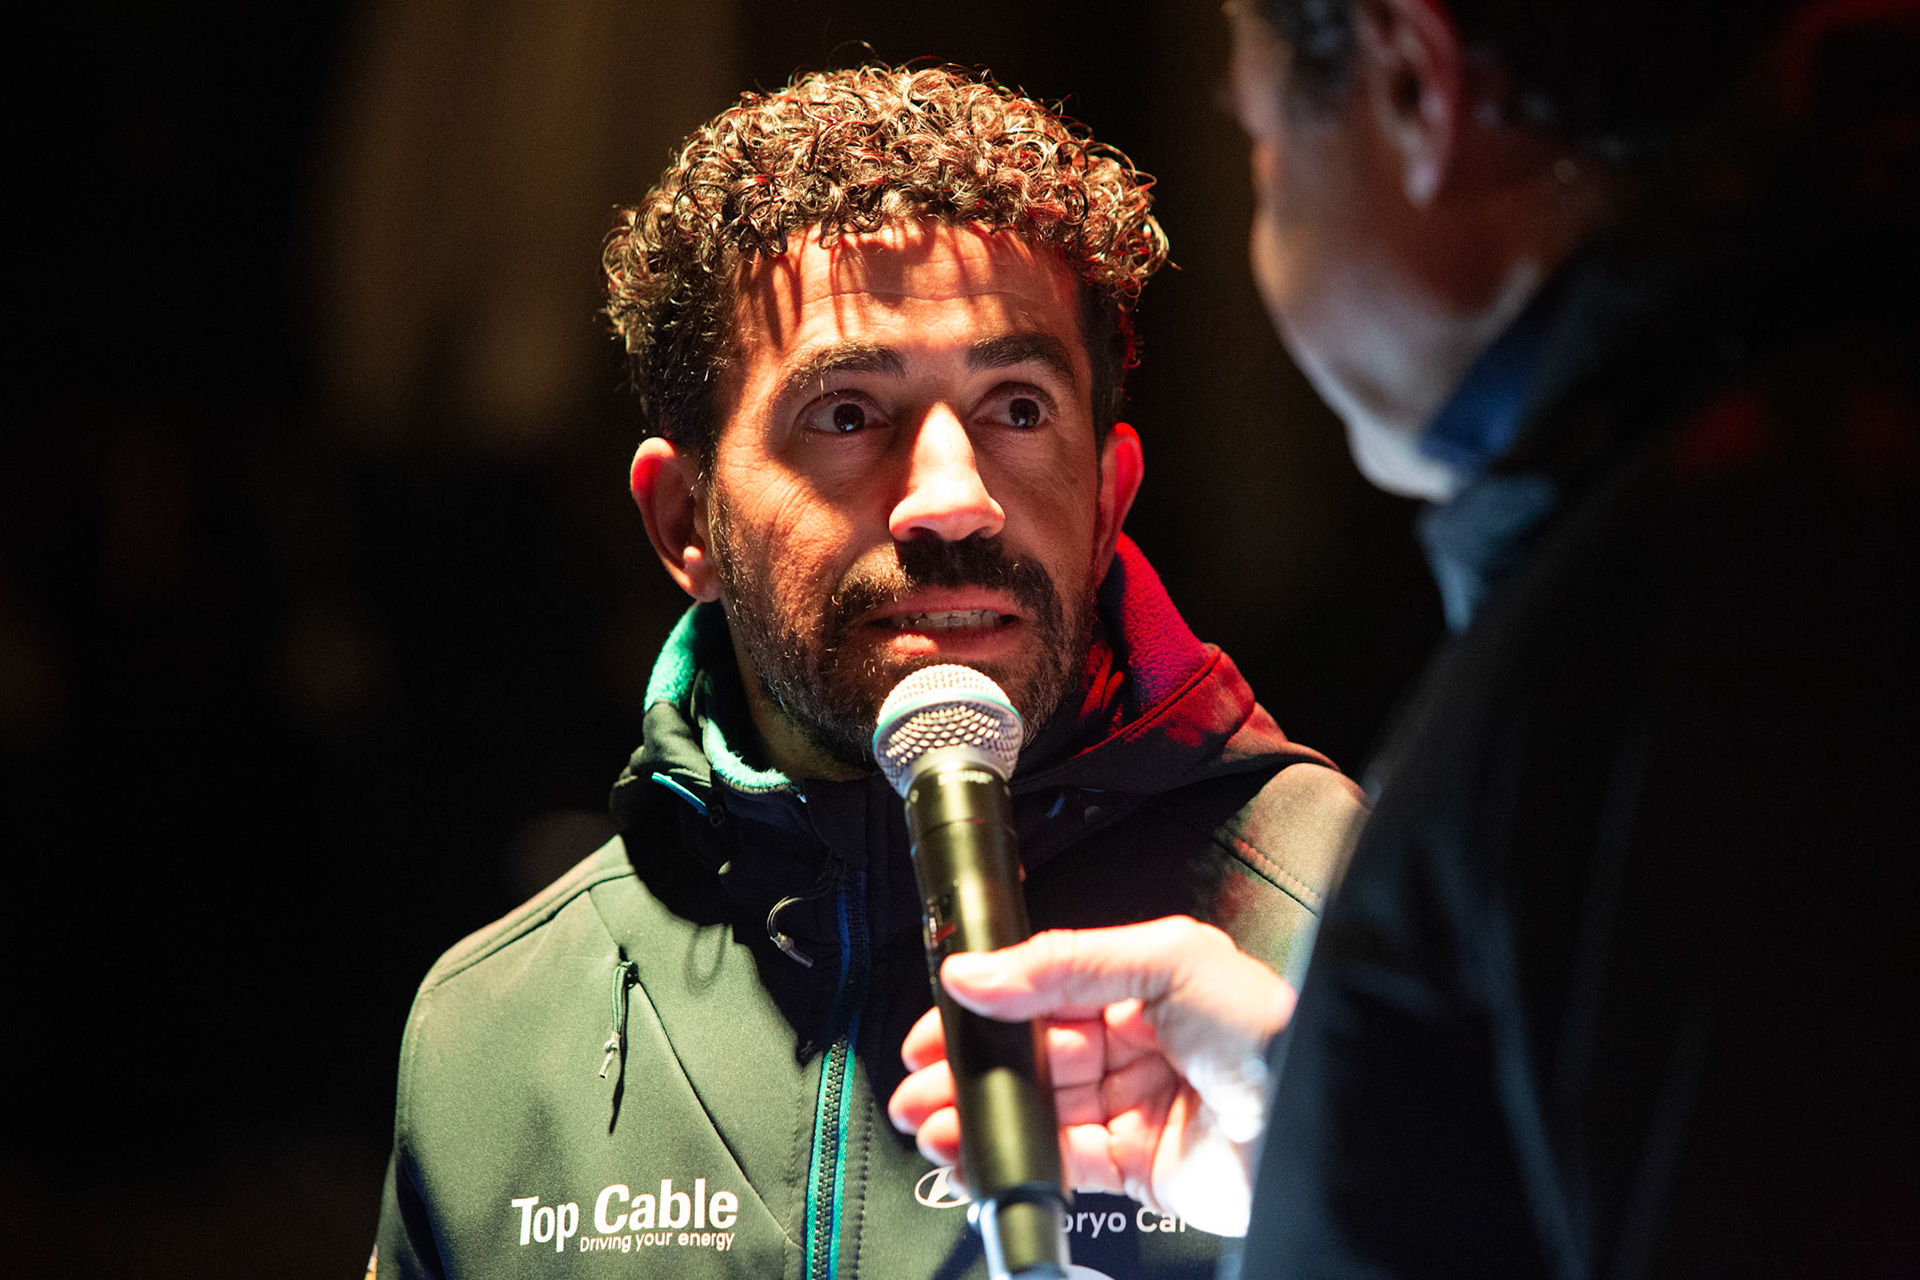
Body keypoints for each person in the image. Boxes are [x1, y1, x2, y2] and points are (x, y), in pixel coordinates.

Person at [891, 0, 1920, 1273]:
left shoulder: (1741, 589)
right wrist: (1332, 1129)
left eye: (1264, 144)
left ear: (1414, 90)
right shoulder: (1728, 516)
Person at [370, 64, 1370, 1279]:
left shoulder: (1359, 911)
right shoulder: (494, 1027)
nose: (952, 498)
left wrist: (1368, 1180)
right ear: (685, 520)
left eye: (1017, 406)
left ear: (1110, 498)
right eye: (846, 414)